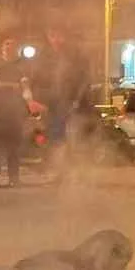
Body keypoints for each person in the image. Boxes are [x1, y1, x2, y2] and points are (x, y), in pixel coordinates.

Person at [31, 28, 87, 179]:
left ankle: (70, 171)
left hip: (69, 104)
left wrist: (77, 100)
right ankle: (55, 170)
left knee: (69, 138)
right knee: (52, 138)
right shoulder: (44, 57)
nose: (56, 40)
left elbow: (83, 81)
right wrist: (36, 100)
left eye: (59, 36)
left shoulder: (75, 56)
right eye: (52, 36)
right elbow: (35, 80)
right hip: (50, 105)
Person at [0, 37, 32, 187]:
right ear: (2, 47)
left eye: (12, 44)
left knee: (14, 147)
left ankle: (13, 178)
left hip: (15, 111)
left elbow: (25, 86)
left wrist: (29, 103)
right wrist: (11, 86)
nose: (9, 47)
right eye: (6, 44)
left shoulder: (20, 66)